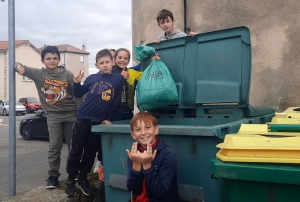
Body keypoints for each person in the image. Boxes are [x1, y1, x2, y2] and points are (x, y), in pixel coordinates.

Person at [15, 46, 79, 189]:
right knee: (54, 146)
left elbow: (78, 94)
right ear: (42, 60)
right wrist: (18, 67)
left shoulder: (67, 74)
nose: (52, 61)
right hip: (53, 116)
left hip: (70, 115)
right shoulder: (39, 74)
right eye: (48, 58)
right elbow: (16, 64)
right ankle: (53, 176)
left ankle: (74, 173)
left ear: (59, 59)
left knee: (73, 146)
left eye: (55, 58)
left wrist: (79, 114)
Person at [65, 49, 124, 197]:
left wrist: (108, 117)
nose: (105, 65)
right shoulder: (91, 78)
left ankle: (83, 179)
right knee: (75, 152)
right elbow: (78, 93)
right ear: (97, 65)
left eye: (107, 62)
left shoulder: (118, 79)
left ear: (113, 62)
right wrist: (77, 83)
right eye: (101, 63)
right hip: (83, 119)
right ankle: (71, 180)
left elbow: (115, 100)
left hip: (98, 123)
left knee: (90, 154)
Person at [126, 112, 179, 202]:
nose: (143, 133)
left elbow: (160, 192)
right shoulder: (134, 154)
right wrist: (136, 165)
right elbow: (134, 190)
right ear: (133, 135)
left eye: (148, 127)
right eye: (138, 129)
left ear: (156, 130)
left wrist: (147, 166)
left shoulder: (167, 154)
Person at [112, 48, 143, 121]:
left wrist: (154, 61)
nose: (122, 60)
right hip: (114, 113)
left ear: (128, 61)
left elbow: (146, 75)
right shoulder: (110, 72)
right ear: (114, 59)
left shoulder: (132, 72)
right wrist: (120, 77)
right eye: (120, 58)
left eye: (125, 58)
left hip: (128, 112)